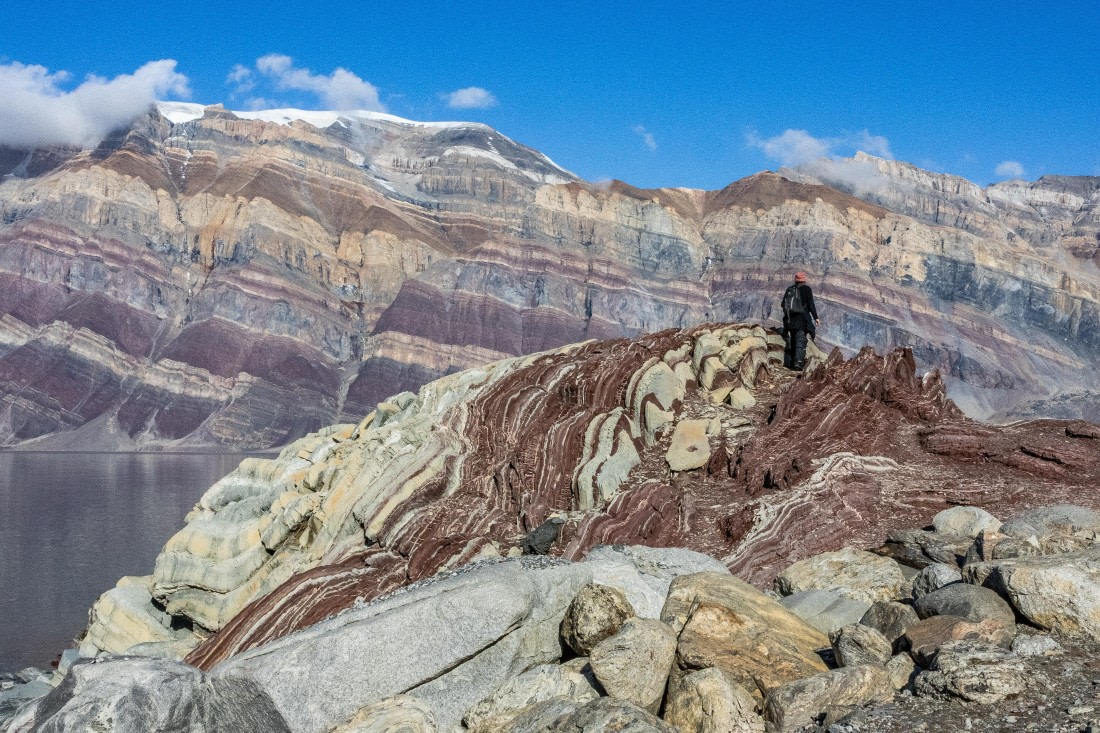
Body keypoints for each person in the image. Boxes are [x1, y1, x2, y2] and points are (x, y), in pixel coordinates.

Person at [781, 271, 820, 370]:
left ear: (796, 280)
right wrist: (816, 317)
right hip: (802, 319)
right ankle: (798, 363)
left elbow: (783, 304)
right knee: (800, 340)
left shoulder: (790, 289)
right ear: (804, 280)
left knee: (793, 339)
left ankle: (791, 362)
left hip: (791, 320)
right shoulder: (807, 289)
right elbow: (811, 305)